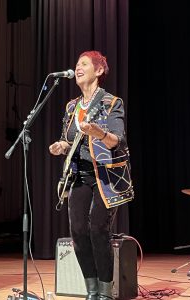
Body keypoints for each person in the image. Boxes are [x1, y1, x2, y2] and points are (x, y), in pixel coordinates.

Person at [49, 51, 134, 300]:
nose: (77, 67)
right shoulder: (72, 106)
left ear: (98, 71)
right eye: (76, 64)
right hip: (79, 175)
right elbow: (69, 140)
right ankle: (92, 290)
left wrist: (99, 133)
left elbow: (117, 140)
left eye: (84, 64)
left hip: (105, 177)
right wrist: (62, 146)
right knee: (77, 230)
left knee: (98, 228)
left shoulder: (111, 102)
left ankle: (106, 291)